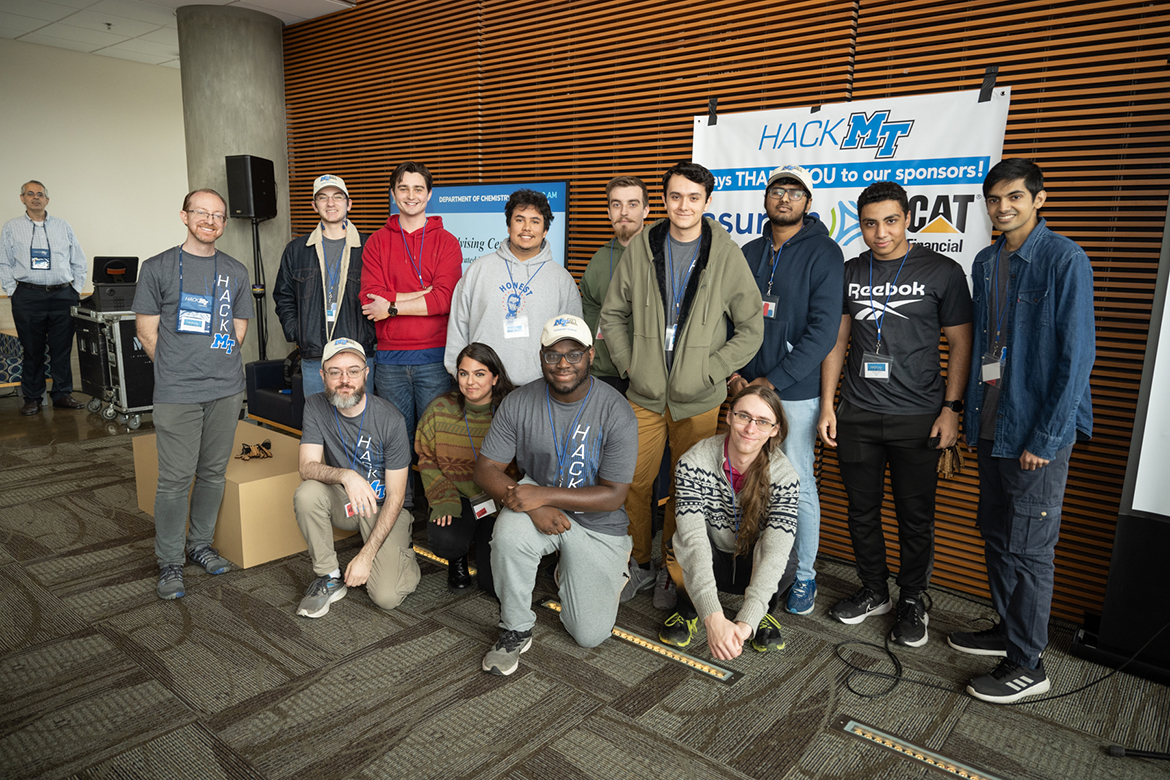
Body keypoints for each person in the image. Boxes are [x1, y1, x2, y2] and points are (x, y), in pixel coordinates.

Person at [950, 159, 1095, 703]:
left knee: (1030, 548)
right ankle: (1008, 632)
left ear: (1039, 199)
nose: (1002, 207)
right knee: (997, 534)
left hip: (1037, 433)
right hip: (993, 425)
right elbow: (987, 346)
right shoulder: (986, 262)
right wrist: (970, 425)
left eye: (1014, 197)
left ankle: (1029, 663)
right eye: (994, 199)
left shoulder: (1064, 259)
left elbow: (1076, 358)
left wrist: (1048, 437)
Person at [598, 161, 763, 608]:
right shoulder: (644, 246)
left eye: (693, 197)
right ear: (665, 199)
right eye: (675, 196)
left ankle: (675, 569)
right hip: (644, 394)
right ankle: (636, 563)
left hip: (699, 399)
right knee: (631, 481)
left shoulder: (726, 253)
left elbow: (750, 327)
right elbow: (612, 314)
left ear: (707, 202)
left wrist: (713, 370)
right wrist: (631, 364)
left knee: (686, 487)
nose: (683, 205)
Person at [818, 181, 972, 646]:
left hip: (919, 416)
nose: (879, 232)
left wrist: (951, 409)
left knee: (915, 515)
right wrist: (828, 404)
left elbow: (961, 343)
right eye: (869, 223)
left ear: (908, 219)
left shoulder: (943, 270)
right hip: (858, 413)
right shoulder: (849, 271)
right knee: (861, 511)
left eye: (890, 220)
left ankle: (912, 599)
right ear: (859, 224)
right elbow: (838, 342)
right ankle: (873, 590)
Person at [474, 314, 638, 676]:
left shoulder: (616, 410)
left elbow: (613, 496)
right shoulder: (519, 401)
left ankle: (620, 570)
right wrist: (532, 508)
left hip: (599, 520)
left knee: (589, 635)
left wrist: (542, 496)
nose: (563, 363)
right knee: (509, 534)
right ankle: (515, 627)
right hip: (540, 502)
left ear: (591, 356)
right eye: (553, 355)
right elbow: (485, 469)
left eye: (574, 353)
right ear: (541, 356)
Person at [730, 164, 844, 617]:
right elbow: (732, 317)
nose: (785, 198)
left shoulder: (825, 253)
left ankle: (804, 576)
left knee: (797, 484)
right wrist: (737, 374)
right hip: (748, 388)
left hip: (793, 392)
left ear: (808, 203)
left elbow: (823, 332)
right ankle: (761, 569)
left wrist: (767, 382)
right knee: (749, 480)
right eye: (777, 190)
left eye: (795, 192)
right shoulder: (749, 250)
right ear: (766, 198)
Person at [133, 189, 254, 600]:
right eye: (201, 212)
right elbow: (146, 329)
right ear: (184, 216)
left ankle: (199, 545)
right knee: (174, 479)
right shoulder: (157, 267)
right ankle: (169, 562)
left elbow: (239, 327)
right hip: (177, 391)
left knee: (213, 473)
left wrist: (216, 363)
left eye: (218, 215)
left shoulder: (235, 271)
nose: (210, 220)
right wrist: (176, 367)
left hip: (225, 390)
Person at [660, 386, 800, 658]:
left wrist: (747, 621)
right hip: (711, 556)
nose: (750, 428)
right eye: (743, 416)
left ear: (774, 429)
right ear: (729, 416)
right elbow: (693, 540)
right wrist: (712, 617)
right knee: (678, 547)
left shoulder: (785, 476)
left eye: (762, 422)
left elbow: (774, 550)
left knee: (787, 558)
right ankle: (689, 609)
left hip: (752, 561)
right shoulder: (694, 462)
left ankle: (763, 613)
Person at [292, 337, 421, 618]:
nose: (344, 379)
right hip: (347, 499)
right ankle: (328, 577)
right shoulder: (315, 406)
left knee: (386, 597)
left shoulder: (390, 419)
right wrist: (347, 476)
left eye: (353, 370)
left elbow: (398, 495)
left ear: (366, 373)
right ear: (322, 375)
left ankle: (403, 557)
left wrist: (366, 555)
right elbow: (307, 466)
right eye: (335, 372)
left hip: (386, 506)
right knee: (308, 493)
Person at [361, 161, 462, 448]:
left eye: (418, 188)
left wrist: (391, 305)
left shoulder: (446, 242)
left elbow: (444, 299)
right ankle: (399, 497)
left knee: (436, 443)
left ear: (430, 194)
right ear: (393, 193)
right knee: (396, 442)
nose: (411, 195)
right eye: (403, 188)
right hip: (390, 361)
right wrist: (423, 294)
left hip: (435, 358)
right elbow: (370, 301)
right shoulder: (377, 242)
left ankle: (437, 497)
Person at [445, 189, 582, 386]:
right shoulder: (478, 270)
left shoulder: (561, 279)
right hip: (482, 387)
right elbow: (458, 326)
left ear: (545, 231)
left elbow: (571, 340)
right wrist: (459, 373)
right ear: (508, 226)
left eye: (535, 221)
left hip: (538, 387)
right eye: (519, 220)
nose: (527, 228)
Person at [416, 342, 516, 595]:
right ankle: (457, 558)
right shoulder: (440, 408)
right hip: (457, 495)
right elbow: (425, 457)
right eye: (464, 373)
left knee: (493, 587)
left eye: (479, 374)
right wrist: (443, 498)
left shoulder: (512, 409)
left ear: (495, 378)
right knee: (445, 542)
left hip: (499, 499)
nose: (470, 382)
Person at [274, 174, 375, 397]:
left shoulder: (370, 246)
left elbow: (382, 295)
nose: (331, 203)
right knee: (318, 422)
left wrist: (370, 335)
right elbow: (283, 297)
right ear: (314, 205)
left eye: (338, 197)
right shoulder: (296, 250)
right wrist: (298, 332)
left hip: (359, 355)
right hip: (314, 358)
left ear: (349, 203)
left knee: (360, 422)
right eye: (323, 197)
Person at [1, 180, 88, 416]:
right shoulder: (11, 227)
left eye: (40, 194)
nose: (36, 198)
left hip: (63, 295)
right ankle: (32, 398)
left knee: (61, 349)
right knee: (32, 350)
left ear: (47, 200)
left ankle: (62, 394)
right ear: (22, 198)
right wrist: (13, 291)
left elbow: (78, 260)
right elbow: (4, 262)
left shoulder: (63, 226)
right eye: (30, 194)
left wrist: (75, 290)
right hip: (27, 296)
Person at [580, 175, 650, 394]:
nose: (624, 212)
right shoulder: (599, 260)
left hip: (650, 373)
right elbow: (590, 315)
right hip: (604, 373)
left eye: (632, 204)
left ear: (646, 211)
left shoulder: (661, 254)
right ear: (609, 212)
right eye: (616, 204)